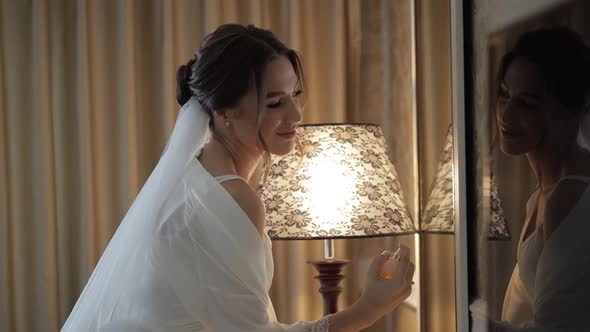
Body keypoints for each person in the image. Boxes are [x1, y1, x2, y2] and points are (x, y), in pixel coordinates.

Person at [60, 24, 415, 332]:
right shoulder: (230, 195)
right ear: (225, 111)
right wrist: (368, 309)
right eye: (275, 102)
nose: (295, 114)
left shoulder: (195, 175)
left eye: (296, 95)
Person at [491, 27, 590, 331]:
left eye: (528, 103)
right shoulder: (543, 192)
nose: (507, 115)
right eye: (505, 95)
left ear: (568, 112)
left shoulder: (571, 194)